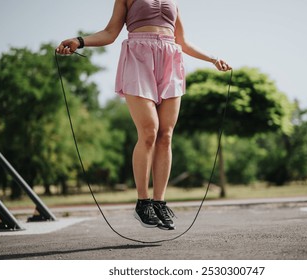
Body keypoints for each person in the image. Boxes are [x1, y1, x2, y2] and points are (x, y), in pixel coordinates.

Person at [56, 0, 232, 231]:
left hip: (170, 58)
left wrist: (212, 58)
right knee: (149, 130)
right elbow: (110, 33)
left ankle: (159, 202)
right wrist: (80, 41)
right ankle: (143, 202)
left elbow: (182, 41)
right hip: (139, 57)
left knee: (166, 135)